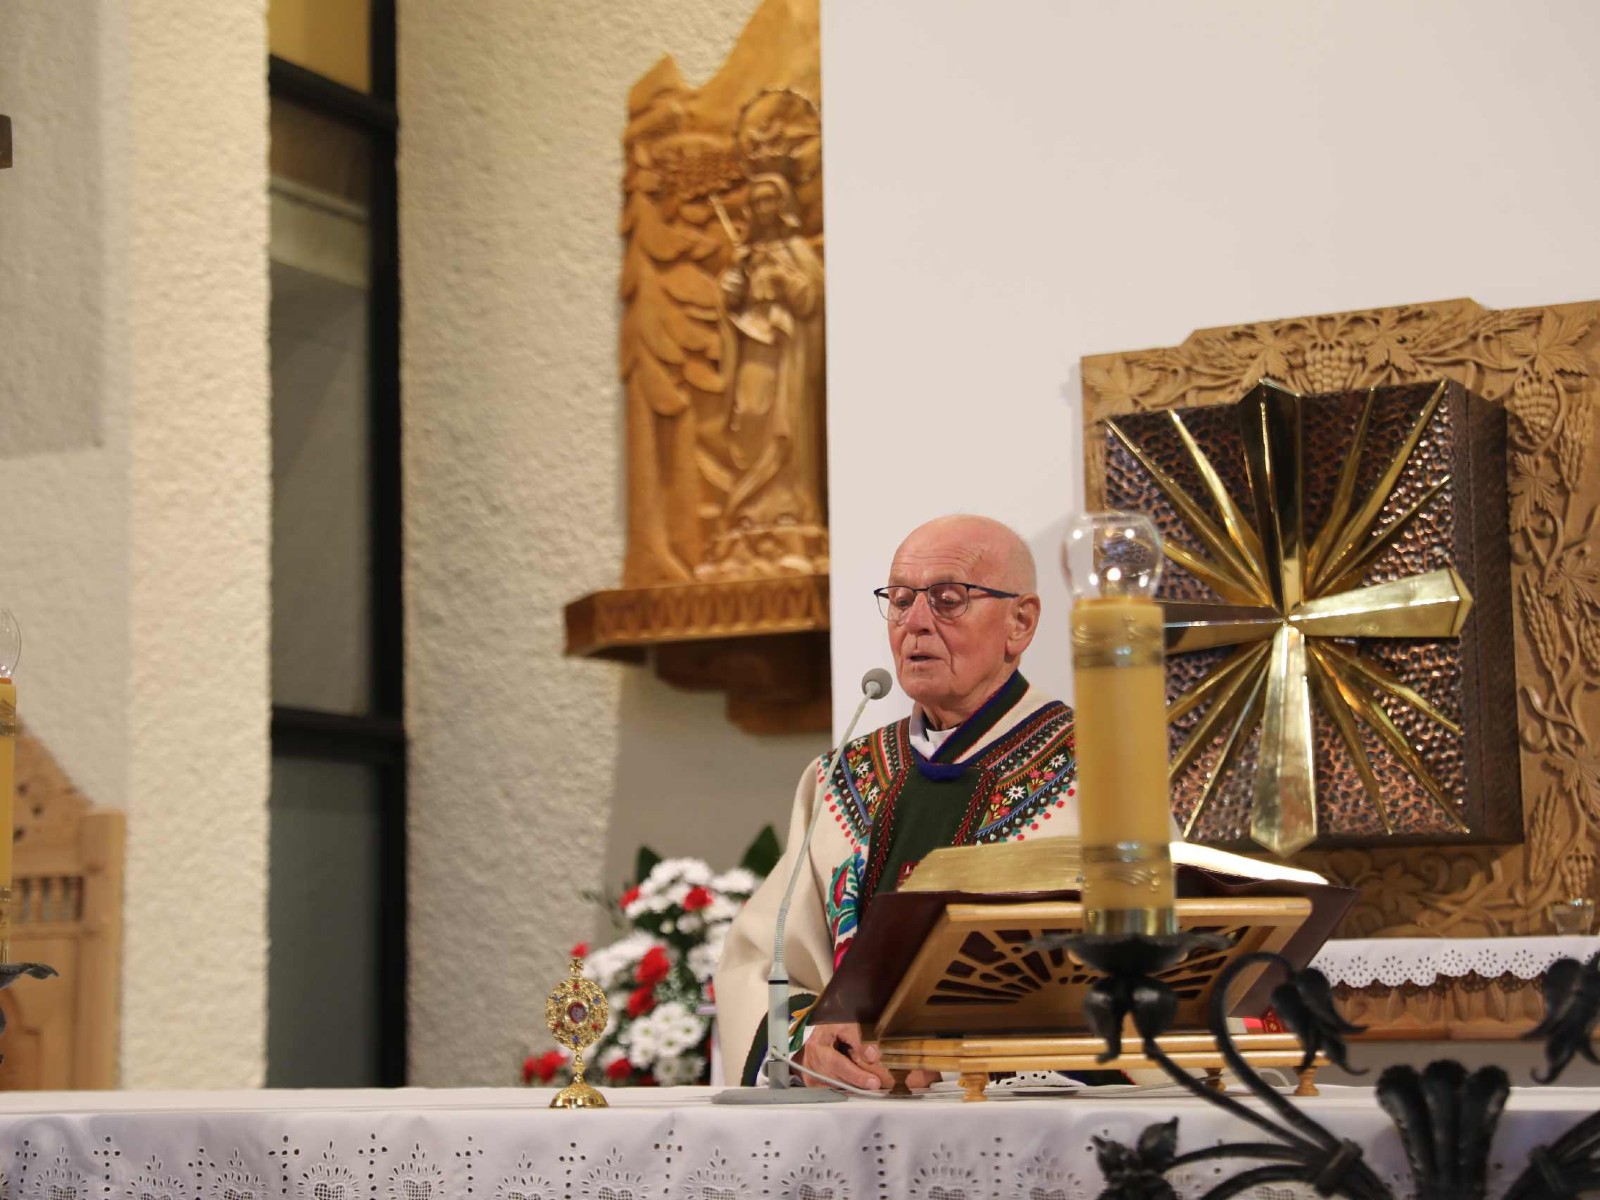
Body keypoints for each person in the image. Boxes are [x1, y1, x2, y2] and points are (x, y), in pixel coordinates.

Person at [715, 514, 1085, 1089]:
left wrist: (976, 1057)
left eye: (948, 599)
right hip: (851, 1122)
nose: (915, 623)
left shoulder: (1097, 771)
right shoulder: (843, 777)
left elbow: (1146, 973)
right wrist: (813, 1049)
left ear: (1021, 622)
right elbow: (760, 960)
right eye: (901, 600)